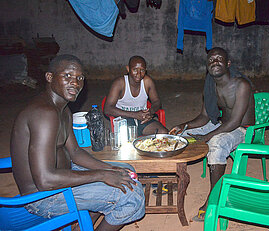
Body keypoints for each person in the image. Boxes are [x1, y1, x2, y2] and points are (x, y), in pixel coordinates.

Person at [10, 54, 145, 231]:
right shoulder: (44, 114)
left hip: (62, 175)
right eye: (67, 76)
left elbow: (74, 152)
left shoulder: (62, 108)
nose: (75, 83)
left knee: (127, 171)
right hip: (43, 197)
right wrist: (101, 175)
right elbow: (45, 180)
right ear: (50, 77)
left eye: (80, 78)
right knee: (130, 197)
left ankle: (82, 225)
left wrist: (109, 169)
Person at [169, 47, 255, 222]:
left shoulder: (241, 85)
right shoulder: (211, 84)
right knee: (178, 135)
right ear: (207, 66)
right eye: (211, 60)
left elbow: (235, 122)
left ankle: (213, 198)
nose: (214, 62)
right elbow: (204, 117)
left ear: (228, 63)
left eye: (219, 59)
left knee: (216, 143)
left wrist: (206, 137)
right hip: (222, 124)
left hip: (243, 129)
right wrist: (184, 125)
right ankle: (173, 178)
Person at [104, 55, 168, 136]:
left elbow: (157, 101)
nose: (138, 74)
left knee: (163, 133)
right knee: (129, 143)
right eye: (135, 70)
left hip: (143, 119)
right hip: (124, 120)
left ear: (146, 70)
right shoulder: (120, 83)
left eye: (142, 70)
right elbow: (107, 109)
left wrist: (150, 112)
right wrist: (134, 114)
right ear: (128, 69)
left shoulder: (147, 82)